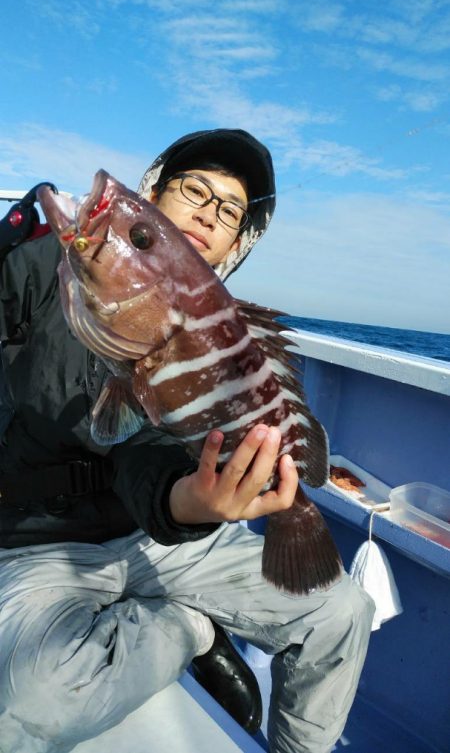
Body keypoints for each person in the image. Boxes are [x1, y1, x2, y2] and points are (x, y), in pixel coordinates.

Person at [0, 129, 374, 753]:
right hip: (39, 542)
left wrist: (199, 505)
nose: (209, 210)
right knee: (26, 710)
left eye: (229, 210)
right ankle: (189, 629)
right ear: (154, 193)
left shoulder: (224, 334)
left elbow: (146, 454)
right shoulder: (44, 262)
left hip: (167, 531)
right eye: (194, 188)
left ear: (236, 242)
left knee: (341, 612)